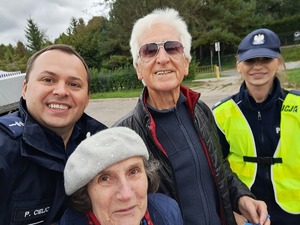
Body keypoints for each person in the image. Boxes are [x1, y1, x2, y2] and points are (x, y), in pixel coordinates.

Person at [114, 8, 270, 225]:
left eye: (172, 48)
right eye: (149, 50)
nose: (163, 58)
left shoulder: (200, 111)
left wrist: (241, 197)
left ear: (185, 63)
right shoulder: (123, 136)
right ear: (138, 68)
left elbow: (221, 165)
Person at [0, 44, 107, 225]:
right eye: (48, 80)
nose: (61, 91)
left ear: (87, 98)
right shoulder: (4, 150)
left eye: (74, 84)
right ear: (25, 89)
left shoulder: (102, 144)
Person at [213, 28, 300, 225]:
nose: (257, 67)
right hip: (245, 212)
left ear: (277, 62)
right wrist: (235, 209)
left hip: (294, 212)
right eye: (250, 61)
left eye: (265, 59)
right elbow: (217, 167)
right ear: (238, 66)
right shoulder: (221, 113)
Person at [59, 126, 183, 225]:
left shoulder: (168, 211)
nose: (126, 195)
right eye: (105, 179)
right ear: (85, 193)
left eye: (133, 171)